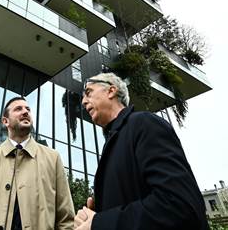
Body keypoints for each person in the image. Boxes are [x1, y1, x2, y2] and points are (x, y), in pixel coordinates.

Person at [74, 73, 208, 230]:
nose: (83, 101)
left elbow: (180, 205)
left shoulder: (144, 124)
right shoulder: (113, 143)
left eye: (89, 92)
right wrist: (96, 216)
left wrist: (99, 223)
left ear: (111, 91)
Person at [0, 96, 75, 230]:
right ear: (5, 121)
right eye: (18, 109)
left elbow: (66, 218)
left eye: (27, 109)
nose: (25, 112)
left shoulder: (53, 158)